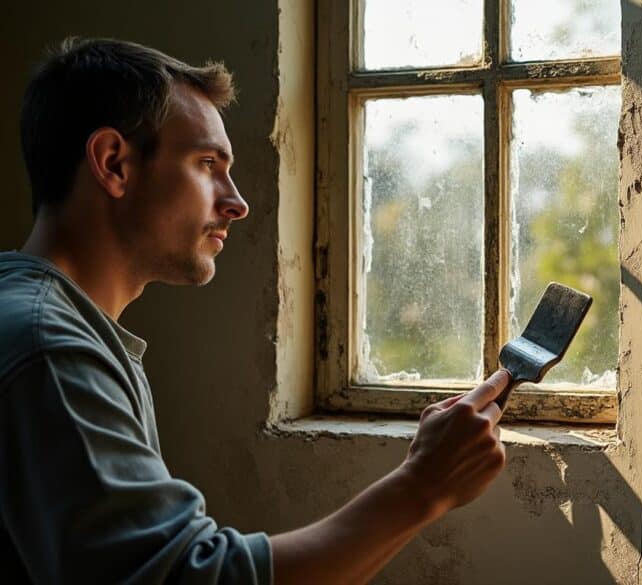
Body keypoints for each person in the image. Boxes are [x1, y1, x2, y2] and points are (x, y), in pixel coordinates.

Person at [0, 37, 511, 584]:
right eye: (206, 163)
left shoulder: (53, 327)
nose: (237, 202)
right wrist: (423, 487)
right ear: (114, 163)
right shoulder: (48, 347)